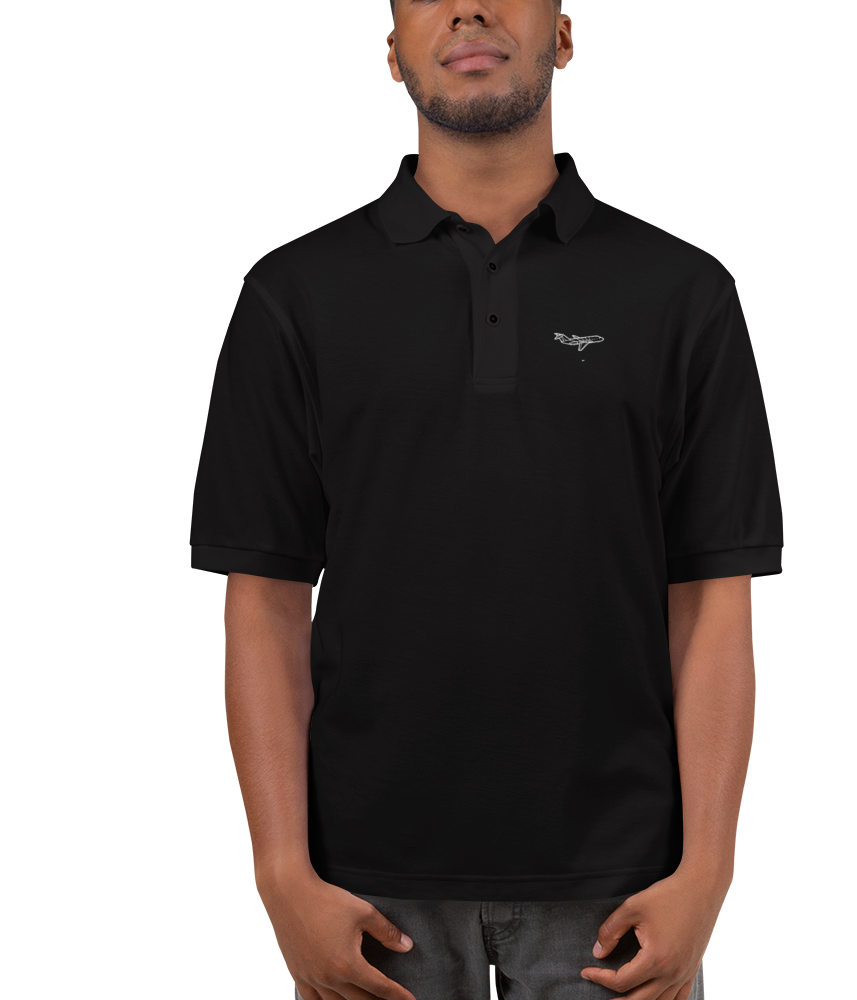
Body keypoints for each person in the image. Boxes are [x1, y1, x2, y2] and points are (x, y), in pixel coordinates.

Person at [189, 1, 782, 997]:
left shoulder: (685, 291)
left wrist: (709, 872)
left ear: (564, 36)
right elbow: (266, 600)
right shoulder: (292, 294)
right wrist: (281, 873)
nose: (467, 5)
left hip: (624, 896)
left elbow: (713, 597)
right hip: (364, 896)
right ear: (391, 54)